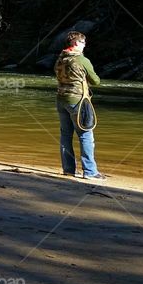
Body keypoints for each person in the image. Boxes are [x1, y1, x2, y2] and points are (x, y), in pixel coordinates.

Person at [55, 30, 105, 180]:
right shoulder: (82, 60)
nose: (84, 45)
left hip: (61, 99)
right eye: (83, 43)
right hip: (78, 100)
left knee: (65, 135)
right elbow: (96, 81)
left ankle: (69, 169)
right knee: (85, 134)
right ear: (76, 43)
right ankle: (90, 171)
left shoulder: (59, 59)